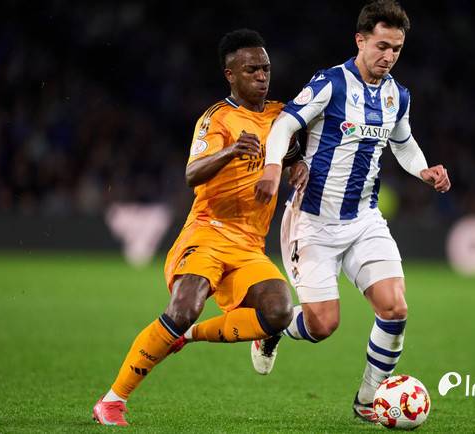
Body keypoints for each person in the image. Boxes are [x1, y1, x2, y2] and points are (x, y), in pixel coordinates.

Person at [92, 29, 308, 426]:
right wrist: (232, 150)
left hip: (250, 244)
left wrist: (300, 164)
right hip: (208, 232)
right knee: (184, 308)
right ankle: (112, 400)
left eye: (265, 68)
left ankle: (190, 337)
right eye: (251, 70)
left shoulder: (282, 115)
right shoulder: (217, 119)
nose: (262, 76)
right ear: (230, 75)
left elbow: (295, 149)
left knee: (279, 312)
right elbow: (192, 173)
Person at [253, 0, 451, 423]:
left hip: (364, 219)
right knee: (323, 325)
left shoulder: (398, 95)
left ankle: (368, 399)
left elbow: (403, 143)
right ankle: (274, 327)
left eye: (397, 48)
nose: (389, 56)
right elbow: (284, 124)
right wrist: (273, 168)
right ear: (360, 40)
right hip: (313, 222)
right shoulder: (330, 84)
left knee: (395, 307)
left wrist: (424, 170)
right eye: (382, 46)